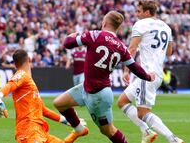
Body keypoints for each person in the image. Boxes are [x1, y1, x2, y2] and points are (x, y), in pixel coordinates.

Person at [53, 11, 155, 143]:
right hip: (87, 88)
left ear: (104, 23)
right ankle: (79, 129)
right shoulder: (122, 47)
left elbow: (67, 43)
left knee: (108, 130)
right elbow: (134, 67)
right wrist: (148, 76)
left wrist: (71, 35)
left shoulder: (95, 35)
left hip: (99, 96)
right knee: (60, 104)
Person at [117, 0, 184, 143]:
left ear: (147, 12)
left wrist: (126, 71)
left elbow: (132, 49)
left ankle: (173, 139)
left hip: (146, 74)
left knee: (143, 113)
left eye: (139, 11)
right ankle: (146, 131)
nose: (137, 14)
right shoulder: (166, 26)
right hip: (157, 73)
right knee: (122, 102)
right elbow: (170, 52)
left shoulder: (140, 25)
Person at [0, 49, 71, 143]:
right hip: (28, 131)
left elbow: (43, 110)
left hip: (39, 131)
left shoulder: (28, 80)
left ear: (15, 64)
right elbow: (10, 85)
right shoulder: (22, 74)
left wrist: (66, 120)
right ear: (29, 59)